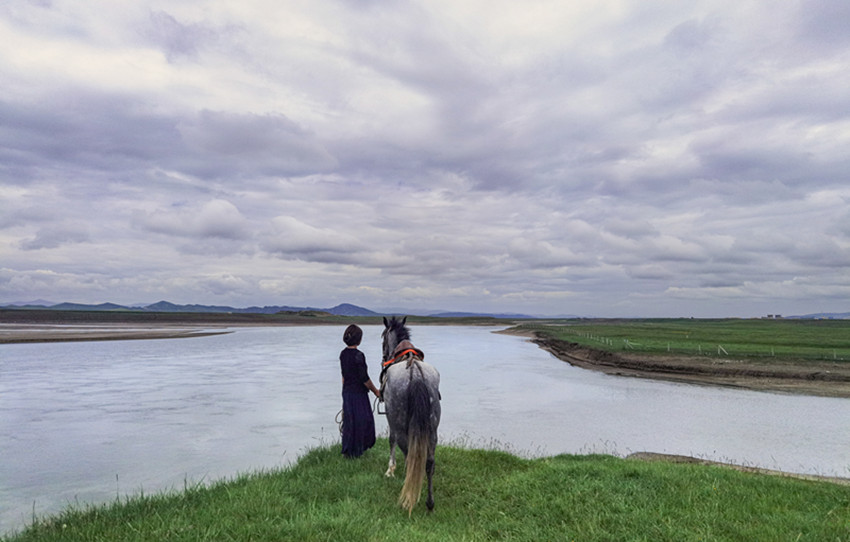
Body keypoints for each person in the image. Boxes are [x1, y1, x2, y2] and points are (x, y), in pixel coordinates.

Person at [339, 324, 380, 458]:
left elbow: (344, 376)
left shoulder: (343, 354)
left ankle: (348, 451)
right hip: (358, 393)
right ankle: (358, 450)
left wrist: (345, 391)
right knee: (364, 421)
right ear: (359, 339)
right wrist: (376, 391)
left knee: (349, 421)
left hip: (347, 391)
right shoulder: (359, 355)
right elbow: (364, 378)